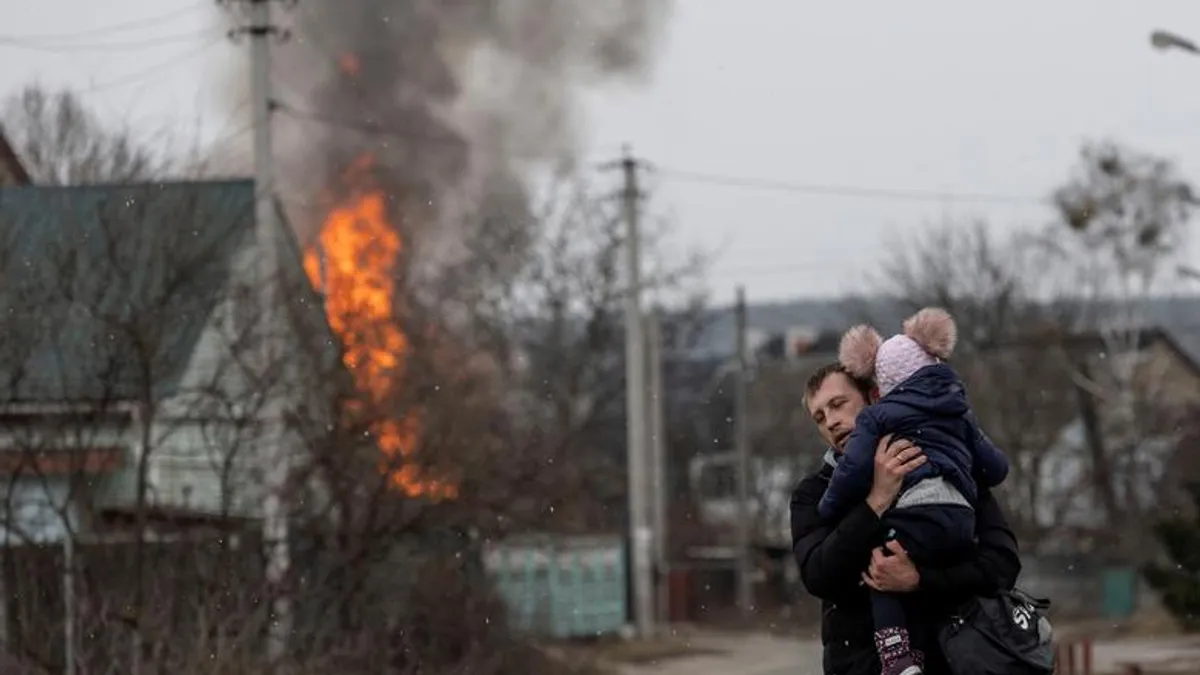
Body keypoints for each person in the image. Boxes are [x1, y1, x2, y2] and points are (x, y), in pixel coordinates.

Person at [792, 362, 1021, 675]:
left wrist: (921, 580)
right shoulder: (816, 493)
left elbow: (1003, 564)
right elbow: (819, 575)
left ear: (874, 397)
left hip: (954, 659)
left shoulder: (946, 463)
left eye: (838, 404)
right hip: (861, 664)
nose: (831, 421)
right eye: (820, 417)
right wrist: (875, 502)